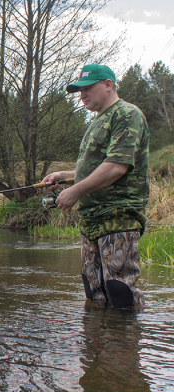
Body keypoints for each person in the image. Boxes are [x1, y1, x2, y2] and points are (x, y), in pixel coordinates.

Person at [41, 64, 149, 308]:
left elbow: (116, 167)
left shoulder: (127, 114)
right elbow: (93, 168)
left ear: (108, 85)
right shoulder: (96, 122)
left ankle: (125, 344)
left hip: (117, 218)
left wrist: (75, 191)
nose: (82, 94)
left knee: (120, 292)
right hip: (90, 221)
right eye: (80, 90)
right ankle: (95, 344)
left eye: (88, 88)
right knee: (95, 295)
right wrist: (63, 175)